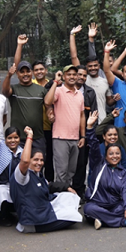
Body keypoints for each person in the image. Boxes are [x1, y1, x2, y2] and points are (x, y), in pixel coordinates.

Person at [10, 127, 82, 233]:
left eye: (41, 160)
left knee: (70, 197)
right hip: (33, 220)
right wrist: (30, 137)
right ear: (29, 160)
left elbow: (48, 185)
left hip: (43, 208)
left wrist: (67, 187)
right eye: (35, 160)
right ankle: (36, 227)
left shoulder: (37, 173)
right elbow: (24, 161)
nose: (39, 163)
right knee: (74, 217)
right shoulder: (22, 176)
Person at [0, 35, 48, 167]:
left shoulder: (41, 90)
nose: (25, 74)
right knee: (18, 167)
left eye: (28, 71)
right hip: (18, 138)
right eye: (22, 72)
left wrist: (51, 113)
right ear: (18, 74)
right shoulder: (14, 90)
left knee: (38, 166)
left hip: (38, 137)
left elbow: (49, 104)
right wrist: (9, 75)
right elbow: (5, 91)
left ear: (31, 73)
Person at [82, 113, 126, 229]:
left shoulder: (123, 172)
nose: (114, 156)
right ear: (106, 156)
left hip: (115, 205)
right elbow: (94, 146)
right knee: (88, 209)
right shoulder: (99, 164)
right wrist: (90, 128)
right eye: (111, 154)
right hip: (98, 203)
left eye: (117, 153)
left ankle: (102, 219)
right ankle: (123, 222)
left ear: (121, 155)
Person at [43, 65, 86, 193]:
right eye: (69, 74)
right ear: (64, 76)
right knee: (61, 172)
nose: (72, 77)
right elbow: (47, 102)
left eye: (74, 74)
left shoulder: (80, 94)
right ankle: (59, 198)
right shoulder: (58, 90)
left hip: (75, 138)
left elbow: (82, 115)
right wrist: (55, 82)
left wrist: (83, 136)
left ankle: (68, 198)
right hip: (60, 138)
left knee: (71, 172)